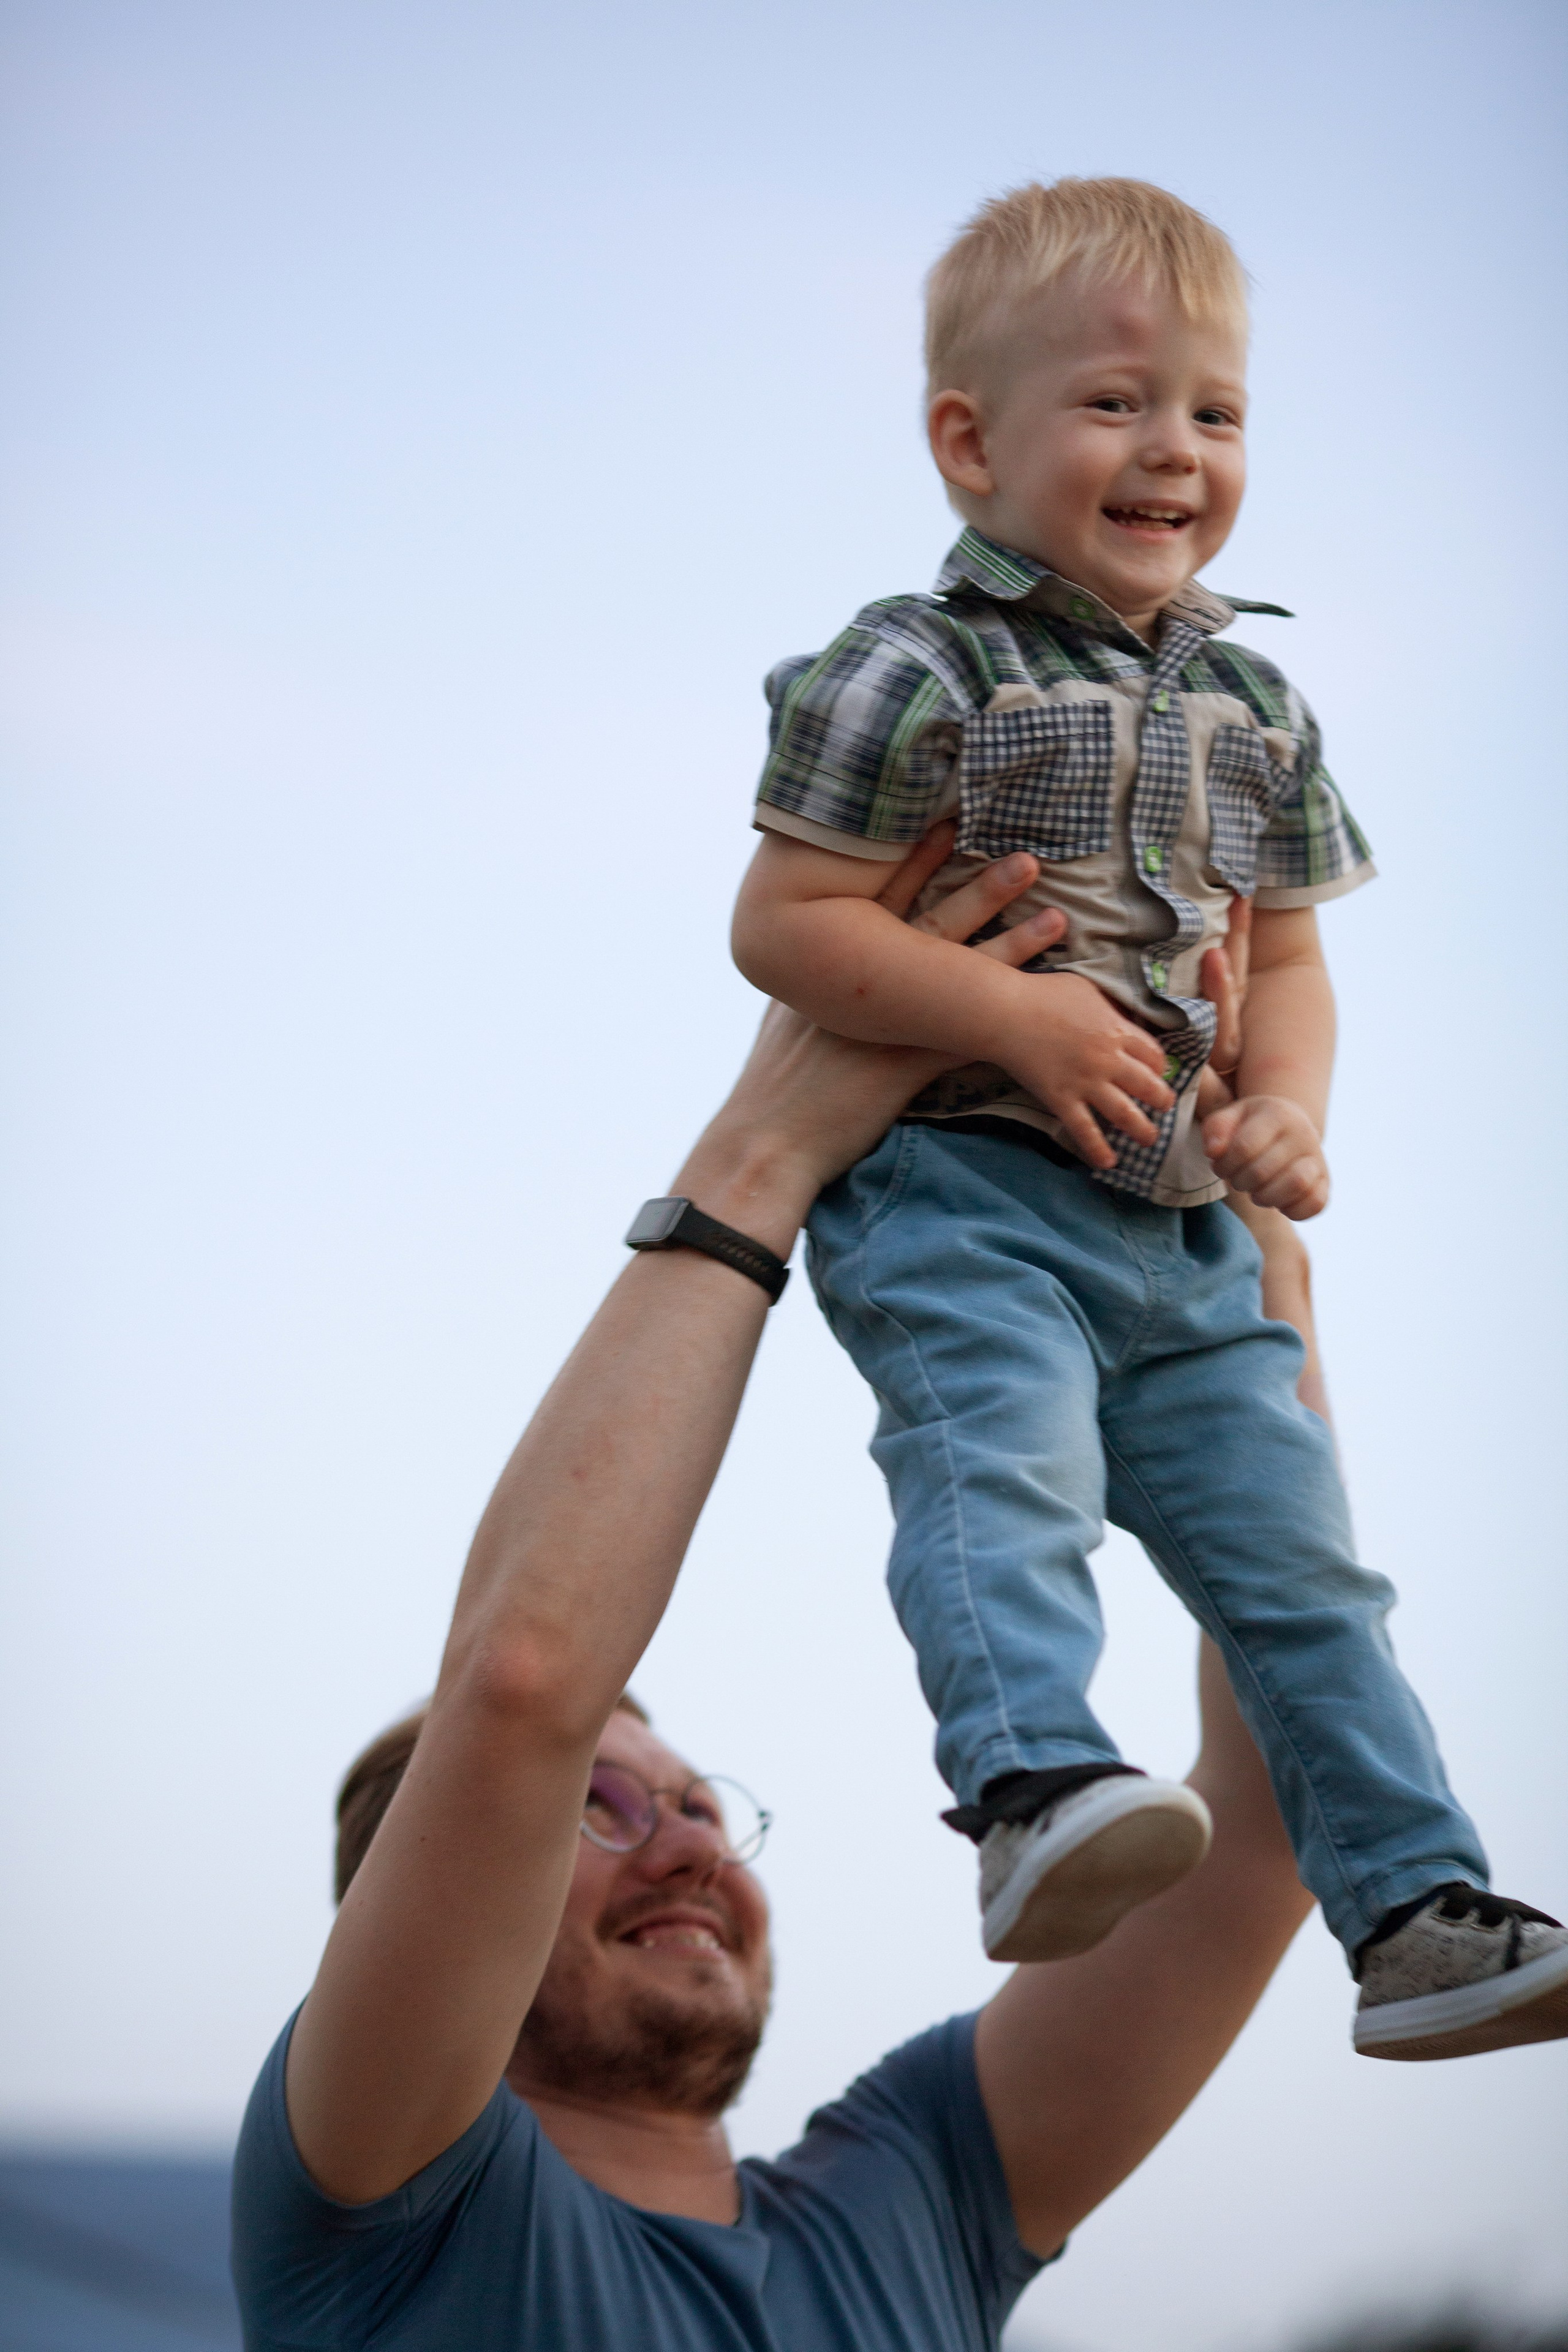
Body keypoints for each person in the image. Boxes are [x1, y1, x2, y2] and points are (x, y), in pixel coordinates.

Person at [234, 842, 1316, 2351]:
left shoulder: (920, 2190)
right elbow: (526, 1686)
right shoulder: (386, 2199)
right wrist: (767, 1146)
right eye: (597, 1809)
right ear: (413, 1923)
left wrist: (1239, 1246)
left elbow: (1273, 1812)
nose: (683, 1834)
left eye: (690, 1803)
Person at [730, 176, 1568, 2056]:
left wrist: (1288, 1112)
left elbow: (1285, 965)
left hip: (1185, 1226)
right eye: (1117, 400)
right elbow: (785, 927)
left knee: (1310, 1577)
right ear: (972, 443)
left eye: (1216, 408)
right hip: (961, 1188)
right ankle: (1035, 1792)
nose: (1174, 446)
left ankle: (1418, 1908)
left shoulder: (1260, 700)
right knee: (999, 1470)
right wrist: (1011, 1012)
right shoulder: (912, 667)